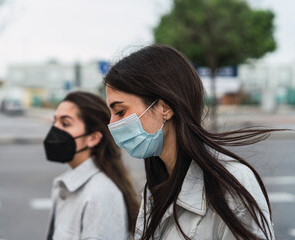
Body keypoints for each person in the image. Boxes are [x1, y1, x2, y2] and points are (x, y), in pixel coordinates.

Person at [104, 44, 278, 240]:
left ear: (164, 108)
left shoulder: (232, 186)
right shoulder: (155, 188)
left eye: (120, 112)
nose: (112, 124)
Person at [43, 91, 139, 240]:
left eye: (65, 123)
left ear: (93, 138)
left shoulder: (101, 194)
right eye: (54, 122)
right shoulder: (66, 185)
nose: (55, 130)